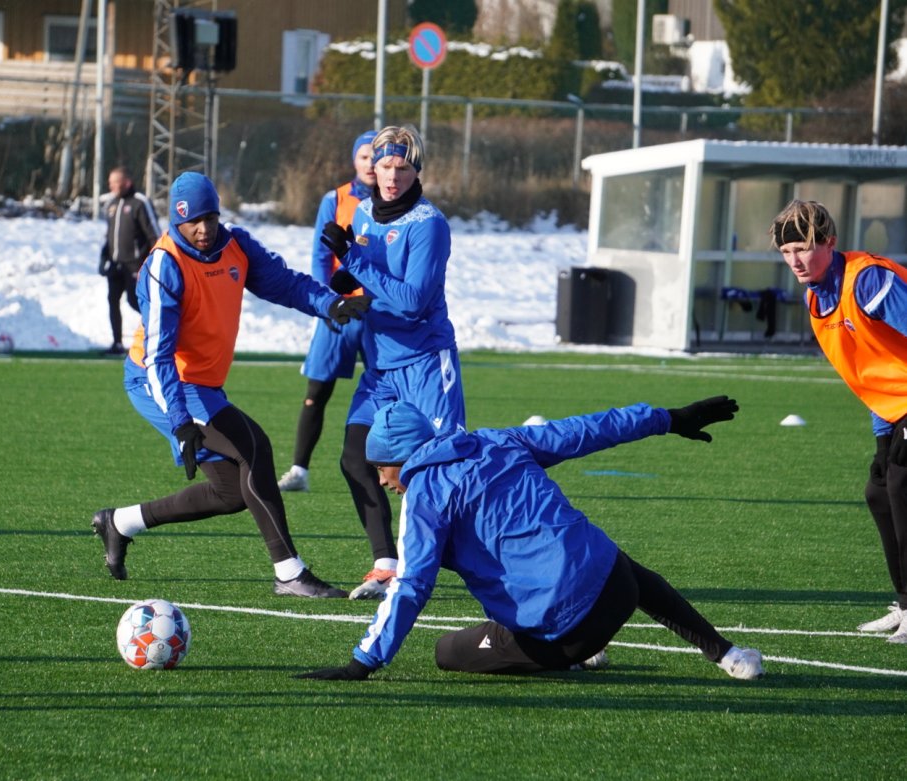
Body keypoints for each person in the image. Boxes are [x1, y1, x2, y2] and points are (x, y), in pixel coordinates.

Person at [295, 398, 766, 681]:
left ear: (402, 457)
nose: (382, 481)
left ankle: (578, 655)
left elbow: (413, 585)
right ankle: (728, 654)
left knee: (447, 652)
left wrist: (363, 662)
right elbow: (587, 430)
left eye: (382, 467)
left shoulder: (424, 496)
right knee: (616, 562)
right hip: (618, 587)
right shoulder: (496, 441)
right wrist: (668, 418)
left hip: (563, 636)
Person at [90, 171, 369, 598]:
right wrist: (181, 422)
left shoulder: (235, 243)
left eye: (210, 218)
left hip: (202, 385)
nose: (203, 229)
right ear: (175, 222)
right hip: (162, 381)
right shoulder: (164, 265)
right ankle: (290, 573)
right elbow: (158, 357)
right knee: (253, 446)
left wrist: (330, 304)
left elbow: (285, 283)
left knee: (230, 493)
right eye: (191, 222)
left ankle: (119, 522)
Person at [318, 125, 465, 600]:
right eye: (385, 165)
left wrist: (353, 262)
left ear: (416, 171)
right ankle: (386, 564)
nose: (392, 176)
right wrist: (340, 285)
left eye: (402, 167)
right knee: (355, 457)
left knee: (441, 471)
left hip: (425, 363)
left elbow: (411, 301)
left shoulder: (429, 225)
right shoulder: (362, 213)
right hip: (381, 366)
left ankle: (494, 565)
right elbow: (367, 276)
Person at [771, 199, 907, 643]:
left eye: (803, 248)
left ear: (830, 242)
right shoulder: (816, 296)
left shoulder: (868, 280)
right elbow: (868, 368)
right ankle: (905, 604)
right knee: (879, 492)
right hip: (891, 409)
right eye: (786, 251)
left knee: (903, 487)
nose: (795, 260)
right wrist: (883, 435)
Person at [277, 130, 376, 494]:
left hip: (380, 311)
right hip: (341, 308)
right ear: (354, 160)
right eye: (364, 156)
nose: (371, 163)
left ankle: (402, 469)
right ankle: (299, 470)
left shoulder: (395, 202)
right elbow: (321, 256)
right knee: (317, 390)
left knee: (390, 390)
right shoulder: (334, 199)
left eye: (377, 156)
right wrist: (327, 303)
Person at [99, 166, 159, 355]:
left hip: (136, 265)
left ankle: (159, 332)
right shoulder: (111, 204)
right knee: (112, 300)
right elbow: (110, 236)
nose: (111, 186)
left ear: (127, 182)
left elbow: (154, 234)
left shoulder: (140, 202)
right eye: (110, 183)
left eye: (115, 182)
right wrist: (104, 257)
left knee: (135, 301)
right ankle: (117, 343)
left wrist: (154, 261)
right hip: (116, 264)